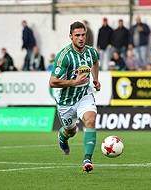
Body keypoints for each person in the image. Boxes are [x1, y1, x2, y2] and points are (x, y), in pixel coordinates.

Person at [49, 21, 101, 173]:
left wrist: (96, 79)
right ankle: (63, 137)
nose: (81, 38)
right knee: (71, 131)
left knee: (91, 120)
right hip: (66, 102)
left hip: (84, 95)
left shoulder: (91, 52)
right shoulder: (64, 56)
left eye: (83, 35)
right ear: (70, 36)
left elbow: (95, 62)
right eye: (77, 35)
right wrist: (74, 82)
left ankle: (87, 160)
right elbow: (52, 82)